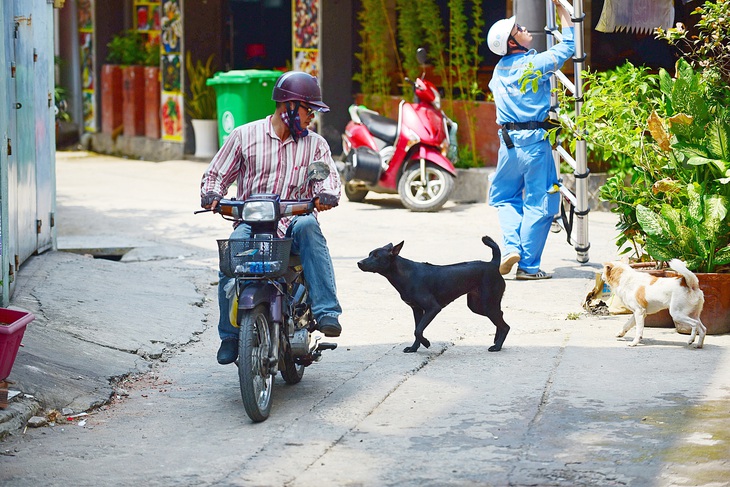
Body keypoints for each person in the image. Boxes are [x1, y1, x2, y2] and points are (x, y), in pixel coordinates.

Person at [200, 71, 343, 365]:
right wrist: (212, 194)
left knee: (309, 225)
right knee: (231, 255)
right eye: (308, 110)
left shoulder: (315, 145)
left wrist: (326, 195)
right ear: (289, 106)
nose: (311, 118)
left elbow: (327, 180)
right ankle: (229, 336)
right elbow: (215, 175)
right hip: (251, 224)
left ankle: (327, 310)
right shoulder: (244, 136)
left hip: (293, 223)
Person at [486, 0, 574, 280]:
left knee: (504, 196)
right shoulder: (534, 64)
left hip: (508, 145)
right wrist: (564, 14)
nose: (524, 28)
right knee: (540, 202)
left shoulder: (497, 72)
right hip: (535, 144)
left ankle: (511, 245)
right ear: (513, 43)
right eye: (518, 29)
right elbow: (568, 47)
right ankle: (528, 266)